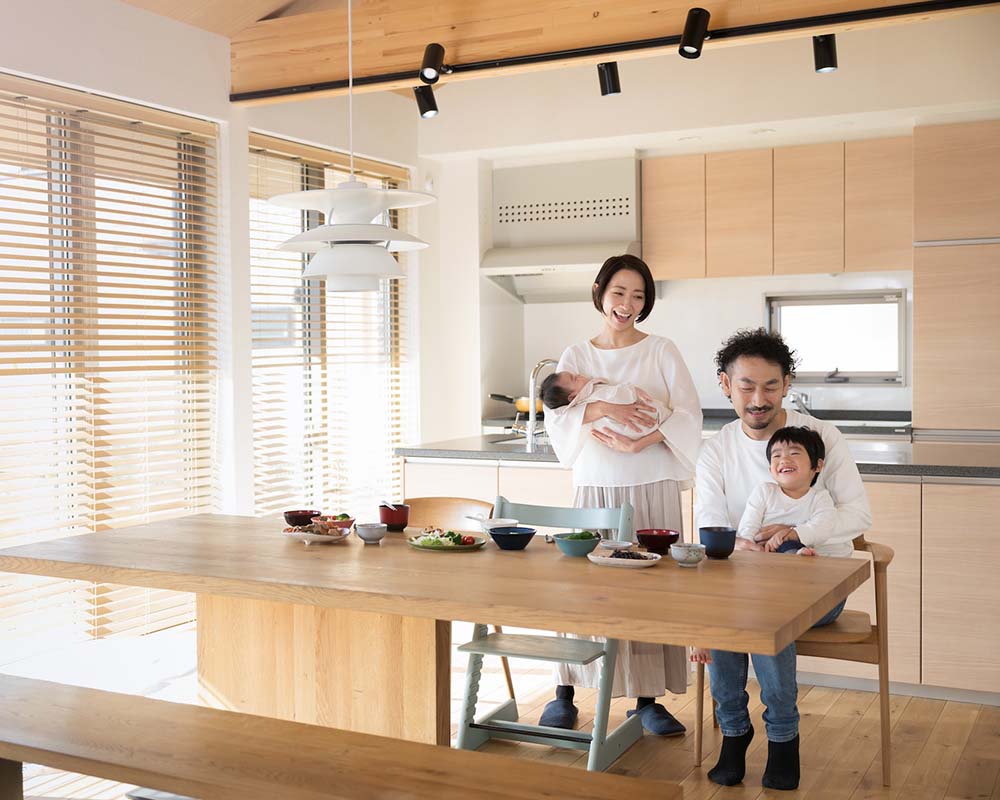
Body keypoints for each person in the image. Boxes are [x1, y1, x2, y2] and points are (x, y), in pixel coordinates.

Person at [695, 328, 871, 791]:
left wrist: (796, 532)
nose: (758, 398)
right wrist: (741, 546)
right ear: (724, 384)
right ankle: (735, 732)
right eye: (746, 385)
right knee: (736, 613)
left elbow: (857, 514)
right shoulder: (716, 449)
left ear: (787, 384)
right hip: (743, 584)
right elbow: (712, 527)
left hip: (818, 583)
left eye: (770, 385)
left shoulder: (821, 438)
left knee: (760, 616)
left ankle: (782, 739)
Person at [542, 254, 703, 737]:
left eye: (638, 295)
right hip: (596, 483)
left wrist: (642, 440)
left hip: (652, 482)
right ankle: (565, 690)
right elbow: (559, 417)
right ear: (600, 292)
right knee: (582, 590)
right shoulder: (576, 354)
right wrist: (607, 405)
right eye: (619, 293)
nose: (627, 304)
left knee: (650, 592)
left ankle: (648, 700)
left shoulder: (661, 350)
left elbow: (689, 416)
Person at [539, 371, 671, 442]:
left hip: (634, 436)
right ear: (573, 397)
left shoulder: (586, 400)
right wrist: (633, 390)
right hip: (640, 425)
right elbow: (619, 395)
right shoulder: (593, 394)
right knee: (657, 413)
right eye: (574, 378)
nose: (578, 374)